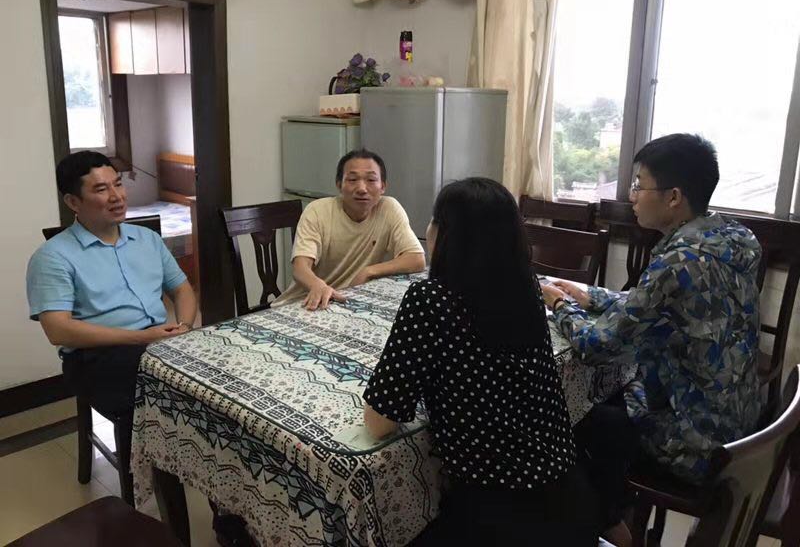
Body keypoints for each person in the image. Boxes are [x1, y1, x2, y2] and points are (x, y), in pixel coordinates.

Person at [363, 178, 600, 546]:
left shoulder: (430, 299)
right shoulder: (528, 290)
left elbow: (380, 423)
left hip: (497, 519)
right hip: (571, 503)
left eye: (434, 220)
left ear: (449, 236)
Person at [541, 133, 762, 487]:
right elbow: (656, 305)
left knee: (568, 417)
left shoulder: (679, 262)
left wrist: (559, 304)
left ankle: (601, 514)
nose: (632, 196)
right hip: (738, 421)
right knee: (607, 395)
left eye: (639, 185)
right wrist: (590, 296)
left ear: (673, 197)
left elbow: (597, 347)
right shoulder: (730, 238)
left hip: (696, 443)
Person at [26, 151, 197, 417]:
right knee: (168, 398)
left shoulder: (147, 239)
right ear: (73, 201)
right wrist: (142, 337)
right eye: (101, 189)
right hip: (96, 357)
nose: (117, 197)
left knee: (213, 375)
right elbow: (58, 330)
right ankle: (146, 445)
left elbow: (182, 289)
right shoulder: (53, 256)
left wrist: (184, 327)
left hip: (157, 343)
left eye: (118, 184)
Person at [273, 149, 425, 310]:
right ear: (339, 185)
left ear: (383, 186)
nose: (362, 188)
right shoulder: (317, 211)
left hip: (349, 300)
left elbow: (416, 259)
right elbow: (300, 268)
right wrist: (318, 285)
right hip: (305, 302)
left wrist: (368, 271)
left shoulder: (389, 208)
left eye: (371, 180)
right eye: (352, 179)